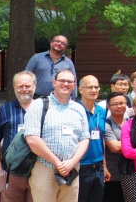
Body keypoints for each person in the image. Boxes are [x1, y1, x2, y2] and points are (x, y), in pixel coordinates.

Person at [25, 70, 89, 202]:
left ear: (74, 85)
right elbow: (32, 139)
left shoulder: (79, 108)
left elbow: (84, 139)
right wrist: (57, 163)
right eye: (62, 81)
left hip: (71, 170)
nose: (66, 84)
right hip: (45, 168)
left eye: (69, 81)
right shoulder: (38, 105)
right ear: (54, 82)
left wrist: (72, 162)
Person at [0, 71, 36, 202]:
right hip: (11, 172)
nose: (24, 89)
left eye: (27, 86)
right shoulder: (5, 109)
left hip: (38, 172)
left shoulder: (44, 109)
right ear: (14, 88)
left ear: (35, 86)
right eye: (20, 86)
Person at [77, 76, 107, 202]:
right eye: (90, 87)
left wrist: (105, 166)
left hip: (99, 168)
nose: (94, 90)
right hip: (81, 167)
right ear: (80, 90)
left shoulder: (102, 111)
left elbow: (102, 138)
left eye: (96, 87)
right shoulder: (74, 110)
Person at [103, 92, 129, 202]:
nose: (119, 106)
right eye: (115, 104)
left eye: (122, 103)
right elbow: (115, 148)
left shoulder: (131, 122)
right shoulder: (106, 124)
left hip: (131, 173)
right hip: (113, 174)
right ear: (108, 106)